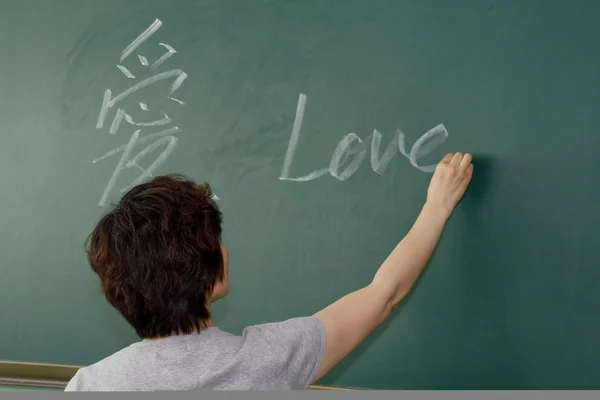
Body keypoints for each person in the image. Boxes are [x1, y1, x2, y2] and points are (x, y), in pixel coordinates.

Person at [65, 152, 473, 391]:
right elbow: (384, 293)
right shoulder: (266, 361)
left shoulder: (90, 386)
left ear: (116, 291)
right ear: (216, 272)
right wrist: (437, 207)